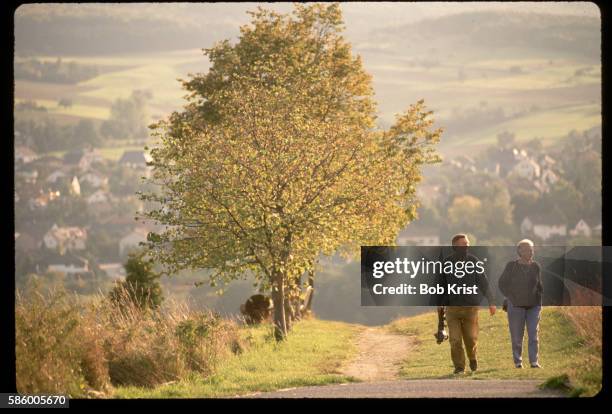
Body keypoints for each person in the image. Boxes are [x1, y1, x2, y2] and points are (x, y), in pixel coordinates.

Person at [438, 234, 496, 374]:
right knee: (455, 340)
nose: (466, 247)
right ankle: (459, 367)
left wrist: (491, 301)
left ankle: (472, 357)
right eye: (463, 244)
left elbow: (484, 283)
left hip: (470, 308)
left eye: (467, 244)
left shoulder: (474, 262)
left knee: (470, 339)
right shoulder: (446, 264)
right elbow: (440, 286)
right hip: (452, 309)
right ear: (455, 247)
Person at [498, 239, 543, 369]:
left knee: (533, 334)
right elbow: (502, 283)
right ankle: (518, 362)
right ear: (519, 251)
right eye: (527, 249)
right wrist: (510, 297)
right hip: (515, 305)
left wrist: (539, 300)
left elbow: (539, 285)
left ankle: (534, 362)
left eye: (531, 249)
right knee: (517, 336)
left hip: (533, 306)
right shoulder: (511, 266)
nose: (530, 252)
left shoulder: (536, 266)